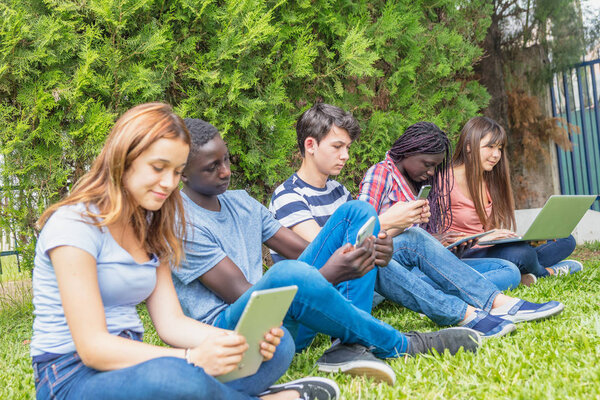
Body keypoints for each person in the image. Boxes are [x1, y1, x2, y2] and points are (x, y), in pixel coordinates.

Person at [30, 103, 339, 400]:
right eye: (157, 167)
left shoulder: (150, 225)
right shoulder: (75, 225)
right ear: (124, 158)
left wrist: (229, 343)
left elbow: (171, 323)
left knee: (276, 344)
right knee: (174, 377)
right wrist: (192, 359)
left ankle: (218, 394)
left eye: (177, 172)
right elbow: (93, 347)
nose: (168, 183)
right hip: (70, 376)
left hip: (134, 366)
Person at [172, 118, 482, 386]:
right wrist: (330, 273)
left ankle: (347, 346)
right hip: (236, 332)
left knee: (358, 212)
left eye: (225, 160)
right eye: (212, 167)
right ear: (182, 173)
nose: (225, 172)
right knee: (284, 273)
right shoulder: (182, 225)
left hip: (283, 323)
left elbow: (309, 250)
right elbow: (251, 301)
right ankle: (401, 344)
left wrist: (372, 250)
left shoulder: (241, 201)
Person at [270, 103, 564, 342]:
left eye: (347, 147)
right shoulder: (288, 195)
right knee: (379, 251)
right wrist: (386, 222)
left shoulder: (337, 191)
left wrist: (394, 227)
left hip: (359, 284)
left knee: (412, 239)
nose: (346, 156)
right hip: (322, 294)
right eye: (337, 147)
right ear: (310, 145)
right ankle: (465, 314)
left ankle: (495, 304)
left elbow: (361, 242)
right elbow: (327, 255)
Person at [357, 121, 521, 290]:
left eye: (435, 166)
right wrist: (399, 224)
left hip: (424, 261)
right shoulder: (381, 174)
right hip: (393, 261)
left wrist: (438, 241)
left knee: (509, 270)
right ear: (408, 152)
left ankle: (436, 287)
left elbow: (421, 239)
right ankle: (434, 288)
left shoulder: (421, 182)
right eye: (428, 164)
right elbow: (359, 233)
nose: (432, 172)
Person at [447, 116, 582, 282]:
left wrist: (526, 240)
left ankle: (528, 269)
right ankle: (547, 273)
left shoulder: (488, 179)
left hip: (490, 249)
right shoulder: (445, 182)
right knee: (523, 254)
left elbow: (489, 230)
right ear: (469, 146)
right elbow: (435, 239)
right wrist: (481, 238)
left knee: (565, 240)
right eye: (490, 147)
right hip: (464, 256)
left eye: (500, 148)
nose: (496, 155)